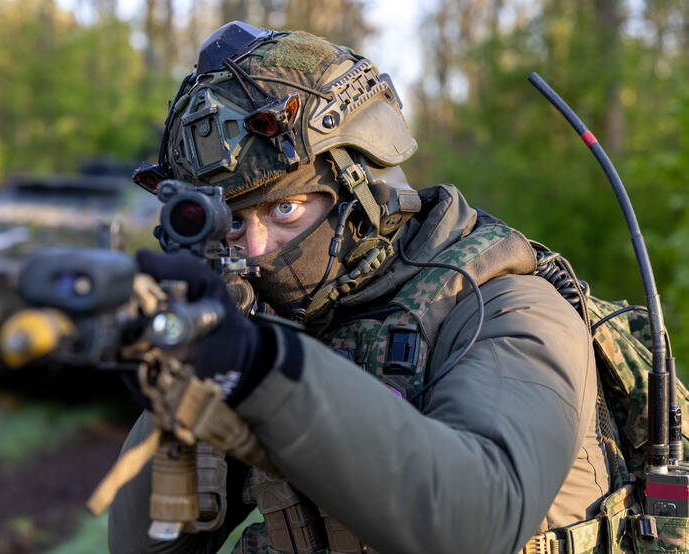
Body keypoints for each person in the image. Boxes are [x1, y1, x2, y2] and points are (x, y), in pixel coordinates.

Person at [109, 21, 611, 554]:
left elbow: (480, 521)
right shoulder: (274, 319)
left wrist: (262, 368)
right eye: (232, 222)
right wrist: (182, 368)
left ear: (365, 186)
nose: (254, 248)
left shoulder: (510, 308)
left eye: (285, 208)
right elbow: (150, 546)